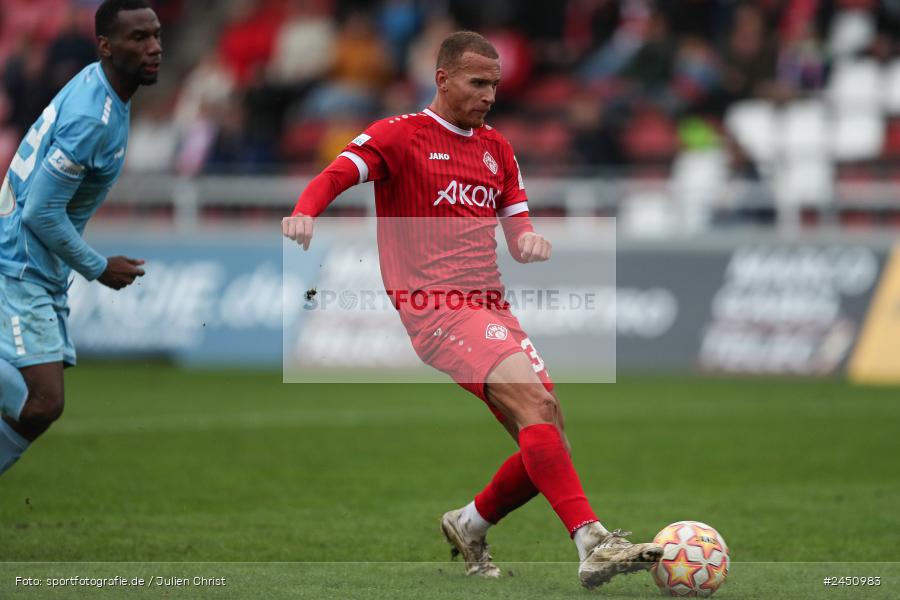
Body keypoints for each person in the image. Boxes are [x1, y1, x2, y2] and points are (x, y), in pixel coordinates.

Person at [282, 31, 662, 588]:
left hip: (489, 306)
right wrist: (305, 211)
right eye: (477, 83)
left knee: (548, 435)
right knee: (536, 407)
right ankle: (592, 542)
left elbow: (518, 223)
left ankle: (470, 522)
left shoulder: (497, 149)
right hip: (435, 308)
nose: (488, 95)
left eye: (495, 85)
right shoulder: (399, 135)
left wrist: (528, 240)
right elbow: (337, 173)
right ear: (442, 79)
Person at [0, 0, 162, 475]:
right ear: (106, 47)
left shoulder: (101, 86)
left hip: (31, 262)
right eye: (139, 38)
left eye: (155, 35)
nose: (154, 48)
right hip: (19, 262)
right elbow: (41, 212)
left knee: (41, 404)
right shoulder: (93, 118)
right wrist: (98, 267)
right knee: (41, 399)